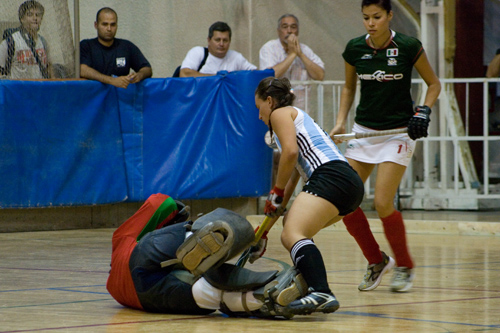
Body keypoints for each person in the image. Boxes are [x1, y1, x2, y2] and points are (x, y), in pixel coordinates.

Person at [329, 0, 441, 293]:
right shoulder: (355, 48)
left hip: (398, 133)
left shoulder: (408, 46)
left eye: (377, 17)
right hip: (364, 132)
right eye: (366, 17)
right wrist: (341, 122)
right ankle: (377, 261)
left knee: (381, 202)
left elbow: (434, 85)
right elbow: (349, 87)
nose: (371, 22)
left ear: (390, 16)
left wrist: (423, 111)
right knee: (346, 202)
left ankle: (404, 265)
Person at [251, 77, 365, 315]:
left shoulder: (279, 114)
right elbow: (292, 177)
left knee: (293, 233)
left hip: (330, 177)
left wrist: (276, 192)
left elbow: (290, 154)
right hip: (348, 184)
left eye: (258, 108)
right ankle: (311, 283)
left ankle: (320, 290)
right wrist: (264, 232)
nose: (260, 116)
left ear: (269, 101)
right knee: (290, 229)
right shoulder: (295, 117)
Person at [107, 192, 308, 318]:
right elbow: (159, 202)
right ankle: (195, 234)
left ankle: (265, 297)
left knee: (210, 295)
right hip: (140, 258)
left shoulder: (114, 288)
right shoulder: (121, 239)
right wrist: (178, 212)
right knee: (197, 233)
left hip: (146, 297)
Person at [259, 14, 325, 110]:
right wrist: (292, 54)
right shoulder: (269, 48)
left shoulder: (305, 50)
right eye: (285, 27)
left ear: (298, 31)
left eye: (293, 27)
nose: (289, 31)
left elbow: (320, 76)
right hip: (277, 109)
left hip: (302, 110)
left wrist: (300, 54)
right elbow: (270, 76)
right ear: (278, 31)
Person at [80, 7, 152, 89]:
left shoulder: (126, 46)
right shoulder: (86, 46)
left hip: (120, 100)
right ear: (96, 25)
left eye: (113, 25)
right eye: (105, 24)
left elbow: (147, 69)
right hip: (94, 99)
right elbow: (82, 70)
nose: (109, 29)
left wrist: (139, 76)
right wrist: (112, 81)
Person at [179, 21, 256, 77]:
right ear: (209, 40)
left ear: (230, 41)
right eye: (217, 40)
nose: (221, 44)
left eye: (225, 40)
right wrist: (217, 78)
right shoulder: (198, 52)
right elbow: (184, 74)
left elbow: (255, 74)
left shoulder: (236, 57)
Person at [0, 0, 53, 79]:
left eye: (37, 15)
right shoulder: (10, 42)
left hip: (39, 89)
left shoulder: (43, 42)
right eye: (30, 15)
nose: (34, 18)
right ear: (22, 19)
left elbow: (49, 68)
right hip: (17, 89)